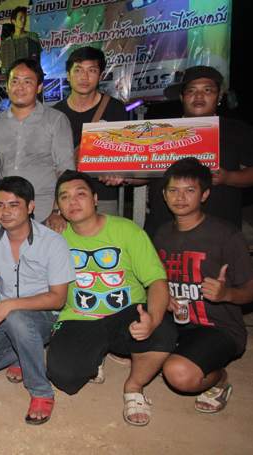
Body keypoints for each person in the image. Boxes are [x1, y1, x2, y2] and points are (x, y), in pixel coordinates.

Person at [46, 170, 177, 427]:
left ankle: (134, 387)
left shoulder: (126, 230)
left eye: (80, 194)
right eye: (65, 197)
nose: (73, 202)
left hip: (126, 312)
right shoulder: (55, 237)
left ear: (95, 199)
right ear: (58, 206)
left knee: (163, 330)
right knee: (63, 376)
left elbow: (156, 281)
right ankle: (96, 355)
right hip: (79, 316)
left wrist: (152, 319)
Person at [0, 176, 75, 425]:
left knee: (17, 317)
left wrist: (9, 305)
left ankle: (41, 391)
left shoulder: (53, 242)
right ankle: (23, 353)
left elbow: (58, 299)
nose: (5, 212)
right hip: (2, 313)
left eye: (14, 205)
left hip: (43, 316)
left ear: (30, 207)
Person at [102, 66, 253, 235]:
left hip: (219, 232)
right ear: (182, 97)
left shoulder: (239, 131)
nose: (199, 96)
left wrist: (228, 177)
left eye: (207, 90)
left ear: (219, 97)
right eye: (191, 91)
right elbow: (148, 172)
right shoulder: (161, 130)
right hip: (163, 229)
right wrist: (124, 177)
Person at [152, 158, 253, 413]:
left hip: (217, 326)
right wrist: (163, 298)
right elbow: (156, 281)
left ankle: (219, 378)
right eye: (173, 190)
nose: (180, 197)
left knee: (178, 374)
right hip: (177, 321)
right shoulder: (162, 234)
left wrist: (227, 293)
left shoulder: (226, 235)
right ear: (164, 195)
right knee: (133, 337)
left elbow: (252, 291)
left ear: (205, 194)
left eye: (189, 190)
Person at [0, 58, 74, 227]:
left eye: (27, 82)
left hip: (44, 214)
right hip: (5, 214)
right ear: (7, 86)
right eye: (15, 81)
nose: (20, 87)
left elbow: (66, 170)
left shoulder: (56, 120)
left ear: (39, 87)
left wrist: (58, 211)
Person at [53, 46, 129, 215]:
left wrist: (118, 172)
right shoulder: (55, 114)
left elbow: (124, 155)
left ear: (101, 76)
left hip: (102, 198)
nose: (84, 77)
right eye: (78, 70)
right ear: (68, 75)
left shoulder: (115, 109)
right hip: (64, 199)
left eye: (92, 70)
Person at [0, 6, 41, 74]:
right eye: (21, 18)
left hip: (29, 73)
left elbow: (37, 58)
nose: (23, 20)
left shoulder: (33, 36)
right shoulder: (6, 42)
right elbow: (5, 63)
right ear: (14, 21)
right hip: (13, 75)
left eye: (25, 18)